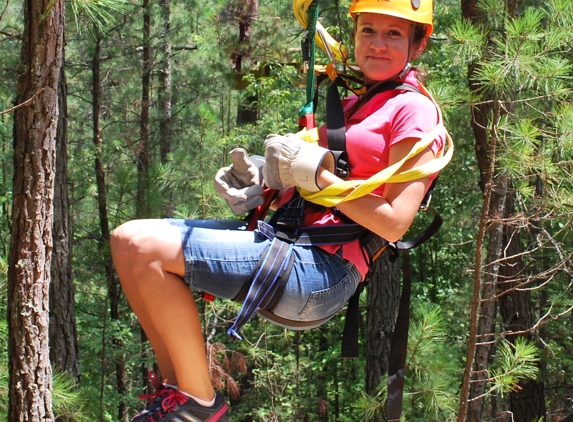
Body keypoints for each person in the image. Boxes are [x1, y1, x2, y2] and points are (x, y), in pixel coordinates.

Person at [110, 0, 446, 420]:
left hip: (323, 268)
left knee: (145, 247)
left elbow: (395, 222)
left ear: (418, 44)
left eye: (393, 34)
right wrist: (258, 178)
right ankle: (178, 396)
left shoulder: (413, 111)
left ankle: (199, 405)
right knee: (126, 241)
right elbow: (307, 171)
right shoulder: (364, 101)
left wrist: (320, 178)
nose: (377, 44)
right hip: (288, 242)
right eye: (368, 31)